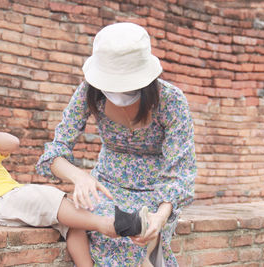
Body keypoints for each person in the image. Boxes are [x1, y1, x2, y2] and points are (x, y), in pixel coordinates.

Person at [0, 97, 148, 267]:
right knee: (45, 195)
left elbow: (13, 143)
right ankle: (108, 225)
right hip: (1, 206)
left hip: (17, 195)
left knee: (73, 223)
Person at [36, 22, 197, 266]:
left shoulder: (171, 101)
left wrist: (161, 217)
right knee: (99, 227)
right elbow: (54, 153)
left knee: (138, 234)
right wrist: (80, 177)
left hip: (156, 194)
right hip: (106, 187)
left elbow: (181, 173)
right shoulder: (90, 93)